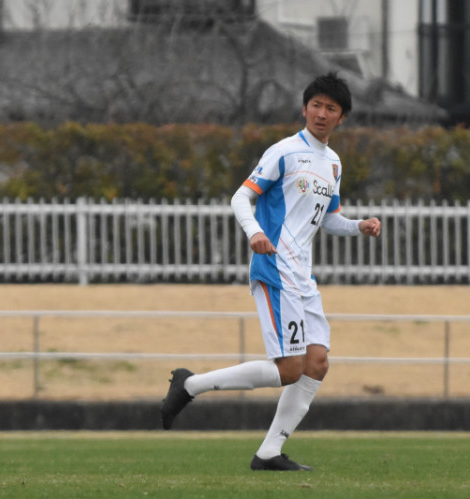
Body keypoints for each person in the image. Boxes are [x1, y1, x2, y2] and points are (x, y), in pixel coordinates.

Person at [160, 72, 381, 471]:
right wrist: (256, 232)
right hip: (276, 268)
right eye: (316, 105)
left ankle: (269, 453)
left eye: (331, 108)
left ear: (342, 117)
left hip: (303, 276)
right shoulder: (284, 151)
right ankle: (190, 385)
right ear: (304, 108)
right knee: (289, 369)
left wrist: (357, 226)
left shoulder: (333, 164)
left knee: (316, 364)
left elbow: (328, 219)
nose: (322, 113)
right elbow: (241, 197)